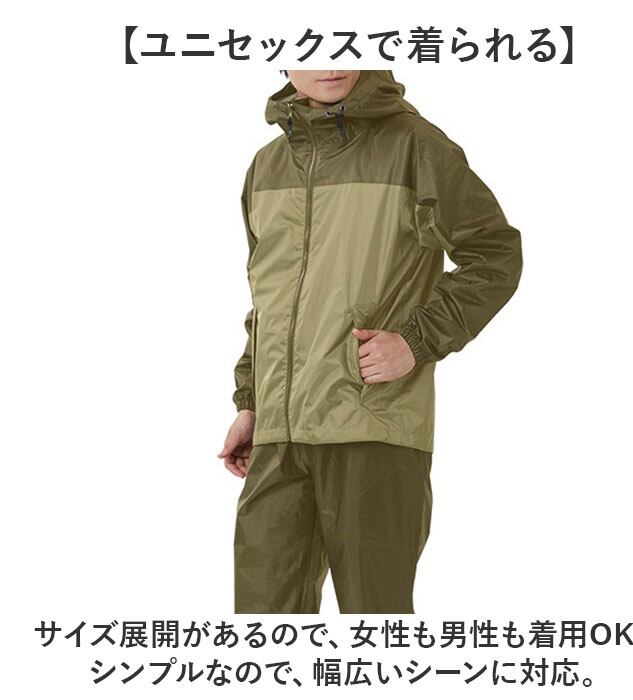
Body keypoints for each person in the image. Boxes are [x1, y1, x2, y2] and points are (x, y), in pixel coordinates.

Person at [218, 69, 523, 614]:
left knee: (376, 622)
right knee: (261, 629)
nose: (329, 60)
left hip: (374, 427)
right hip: (279, 438)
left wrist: (415, 340)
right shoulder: (266, 167)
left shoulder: (414, 145)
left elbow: (495, 254)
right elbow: (270, 301)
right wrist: (252, 401)